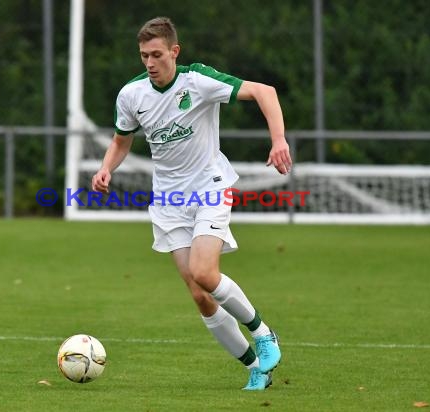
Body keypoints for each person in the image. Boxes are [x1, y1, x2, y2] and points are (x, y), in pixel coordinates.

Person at [92, 16, 292, 391]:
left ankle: (264, 334)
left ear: (174, 51)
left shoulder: (197, 81)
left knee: (204, 271)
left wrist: (278, 139)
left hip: (209, 188)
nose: (149, 63)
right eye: (143, 56)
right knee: (200, 295)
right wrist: (106, 169)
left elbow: (265, 91)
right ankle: (255, 367)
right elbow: (122, 140)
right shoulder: (131, 94)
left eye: (156, 55)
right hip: (168, 200)